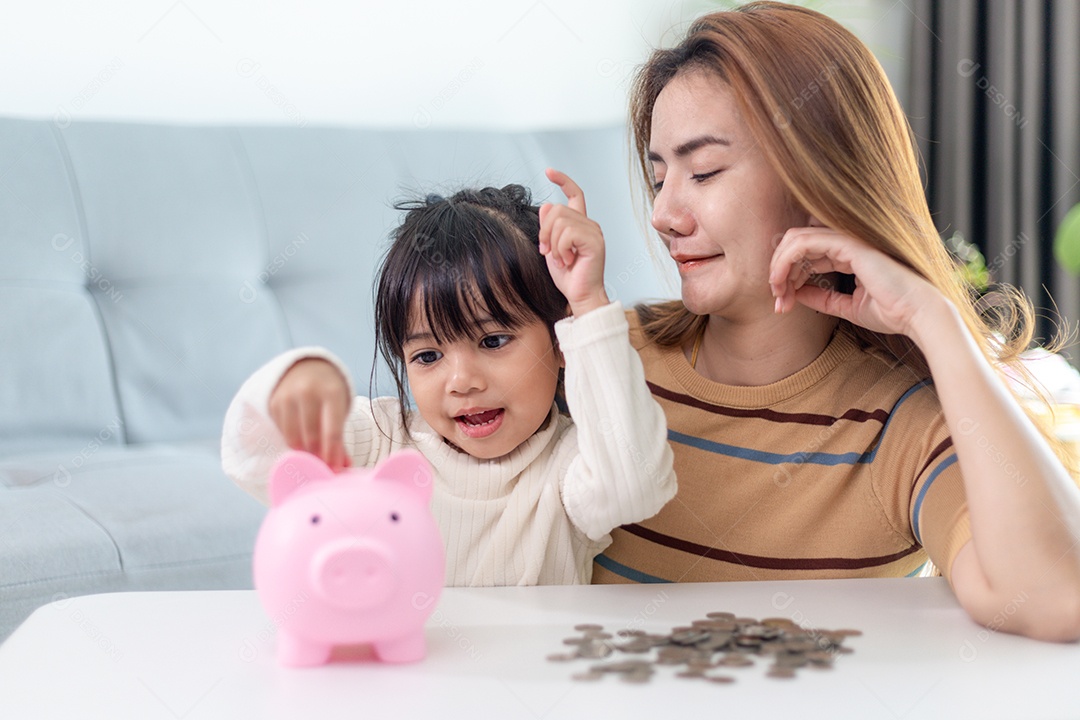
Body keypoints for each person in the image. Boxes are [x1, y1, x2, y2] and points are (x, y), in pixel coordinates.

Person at [570, 1, 1080, 641]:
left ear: (817, 178)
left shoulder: (899, 430)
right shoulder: (606, 362)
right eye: (658, 175)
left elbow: (1057, 598)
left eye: (703, 171)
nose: (663, 213)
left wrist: (934, 318)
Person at [221, 182, 676, 586]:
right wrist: (294, 384)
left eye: (493, 340)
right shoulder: (380, 442)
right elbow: (256, 460)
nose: (461, 381)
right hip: (403, 676)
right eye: (428, 356)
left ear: (561, 339)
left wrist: (587, 302)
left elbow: (633, 487)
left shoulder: (568, 466)